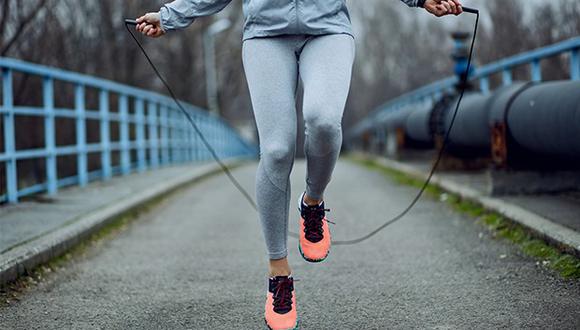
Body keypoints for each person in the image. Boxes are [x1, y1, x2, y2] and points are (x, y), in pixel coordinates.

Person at [136, 0, 463, 328]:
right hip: (265, 36)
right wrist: (170, 17)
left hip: (328, 29)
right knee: (277, 150)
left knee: (322, 120)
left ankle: (312, 201)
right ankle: (279, 273)